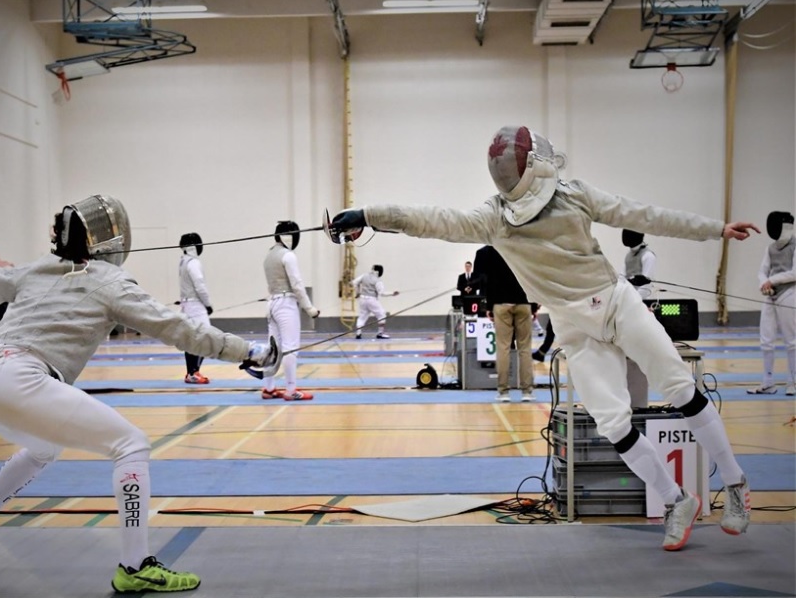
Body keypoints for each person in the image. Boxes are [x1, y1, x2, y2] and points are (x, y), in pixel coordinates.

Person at [329, 124, 758, 551]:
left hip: (616, 303)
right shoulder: (495, 218)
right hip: (574, 327)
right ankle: (675, 500)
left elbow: (641, 214)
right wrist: (370, 215)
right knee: (613, 423)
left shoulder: (574, 194)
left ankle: (736, 484)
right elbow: (432, 220)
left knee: (680, 386)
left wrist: (715, 228)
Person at [0, 194, 279, 593]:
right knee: (131, 444)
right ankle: (135, 566)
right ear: (103, 241)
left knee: (43, 449)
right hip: (19, 379)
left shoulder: (38, 270)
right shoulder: (110, 281)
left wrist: (10, 270)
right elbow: (177, 328)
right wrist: (248, 351)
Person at [261, 220, 320, 401]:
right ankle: (291, 390)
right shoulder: (288, 255)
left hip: (271, 305)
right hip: (285, 305)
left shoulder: (269, 255)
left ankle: (269, 388)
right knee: (290, 349)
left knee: (273, 349)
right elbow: (297, 285)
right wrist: (309, 308)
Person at [747, 211, 795, 396]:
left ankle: (793, 382)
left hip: (790, 293)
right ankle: (768, 383)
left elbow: (794, 273)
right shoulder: (771, 248)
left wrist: (771, 281)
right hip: (771, 295)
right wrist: (763, 284)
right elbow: (762, 271)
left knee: (792, 342)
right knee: (766, 340)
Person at [480, 245, 535, 402]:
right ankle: (527, 391)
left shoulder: (491, 250)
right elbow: (532, 275)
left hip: (500, 302)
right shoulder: (525, 247)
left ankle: (503, 391)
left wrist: (489, 306)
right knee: (525, 348)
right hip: (524, 301)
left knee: (503, 347)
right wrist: (535, 304)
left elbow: (487, 279)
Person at [178, 232, 214, 384]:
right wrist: (208, 304)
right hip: (195, 305)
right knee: (205, 338)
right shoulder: (193, 263)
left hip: (187, 304)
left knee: (193, 338)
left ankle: (191, 372)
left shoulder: (183, 262)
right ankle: (193, 372)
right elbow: (200, 286)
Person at [352, 264, 400, 339]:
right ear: (379, 271)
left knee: (362, 317)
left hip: (362, 299)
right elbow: (382, 293)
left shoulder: (364, 276)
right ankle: (380, 333)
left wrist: (357, 292)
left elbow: (355, 282)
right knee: (382, 315)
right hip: (372, 300)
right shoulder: (377, 280)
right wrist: (393, 293)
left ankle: (358, 334)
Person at [622, 230, 657, 299]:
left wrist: (632, 300)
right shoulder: (628, 255)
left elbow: (646, 287)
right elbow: (622, 278)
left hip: (642, 302)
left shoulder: (648, 256)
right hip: (628, 300)